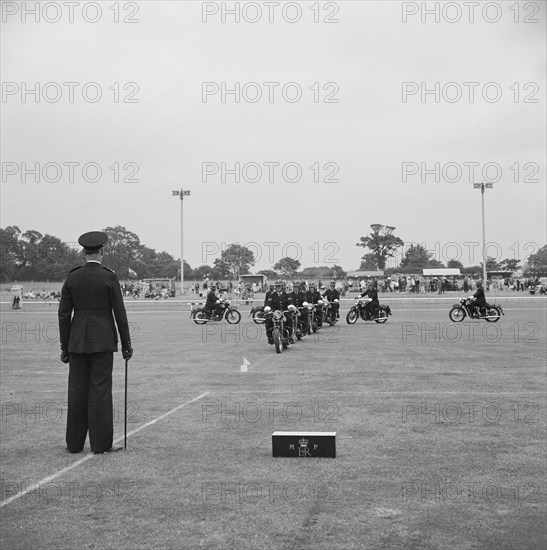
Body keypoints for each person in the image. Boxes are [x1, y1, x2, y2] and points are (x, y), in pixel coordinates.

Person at [58, 231, 132, 455]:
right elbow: (119, 312)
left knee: (77, 390)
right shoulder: (109, 277)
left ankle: (74, 444)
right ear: (101, 252)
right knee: (100, 391)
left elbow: (63, 315)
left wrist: (65, 346)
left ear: (83, 252)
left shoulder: (72, 277)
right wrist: (127, 344)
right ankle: (100, 445)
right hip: (102, 341)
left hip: (77, 342)